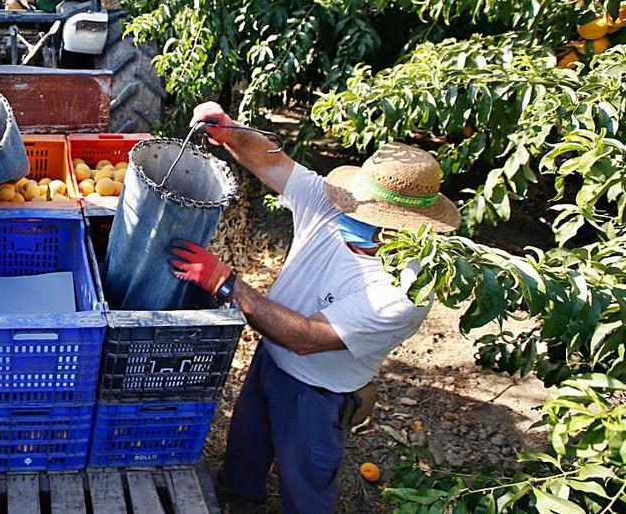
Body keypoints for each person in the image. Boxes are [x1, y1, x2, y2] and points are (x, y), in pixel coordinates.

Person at [166, 101, 459, 513]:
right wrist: (230, 132)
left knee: (306, 481)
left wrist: (225, 282)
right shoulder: (337, 205)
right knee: (246, 447)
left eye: (368, 214)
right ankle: (239, 495)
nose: (351, 214)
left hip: (317, 390)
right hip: (270, 359)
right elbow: (274, 164)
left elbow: (306, 338)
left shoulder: (404, 290)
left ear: (398, 229)